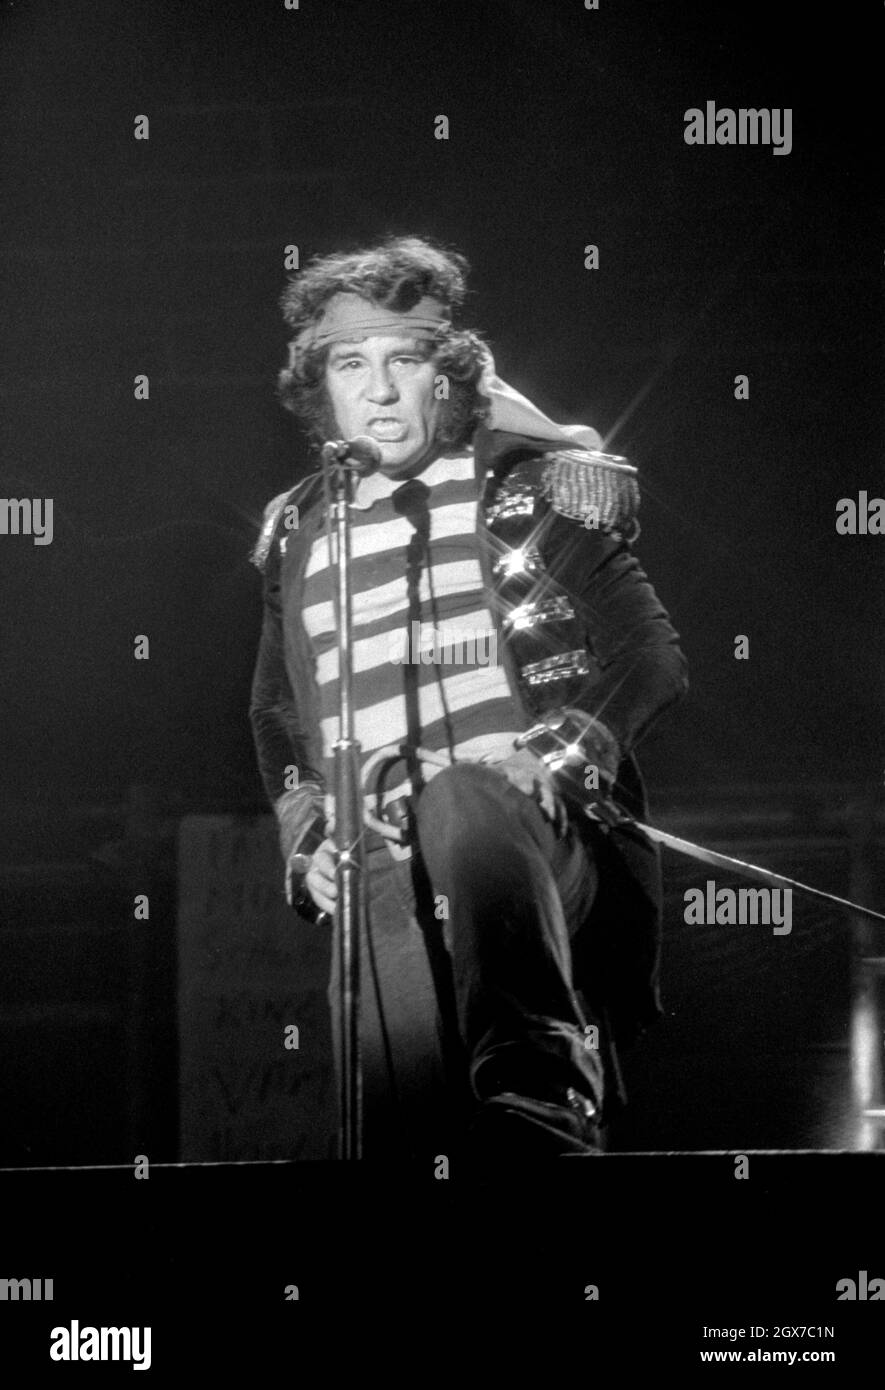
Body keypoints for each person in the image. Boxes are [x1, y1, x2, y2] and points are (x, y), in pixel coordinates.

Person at [250, 235, 688, 1161]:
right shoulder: (301, 528)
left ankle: (541, 1113)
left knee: (466, 796)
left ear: (444, 376)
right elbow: (276, 712)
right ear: (318, 386)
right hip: (383, 853)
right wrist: (307, 836)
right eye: (349, 366)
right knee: (407, 1132)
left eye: (402, 362)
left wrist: (559, 753)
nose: (376, 392)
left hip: (528, 835)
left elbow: (647, 653)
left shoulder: (524, 488)